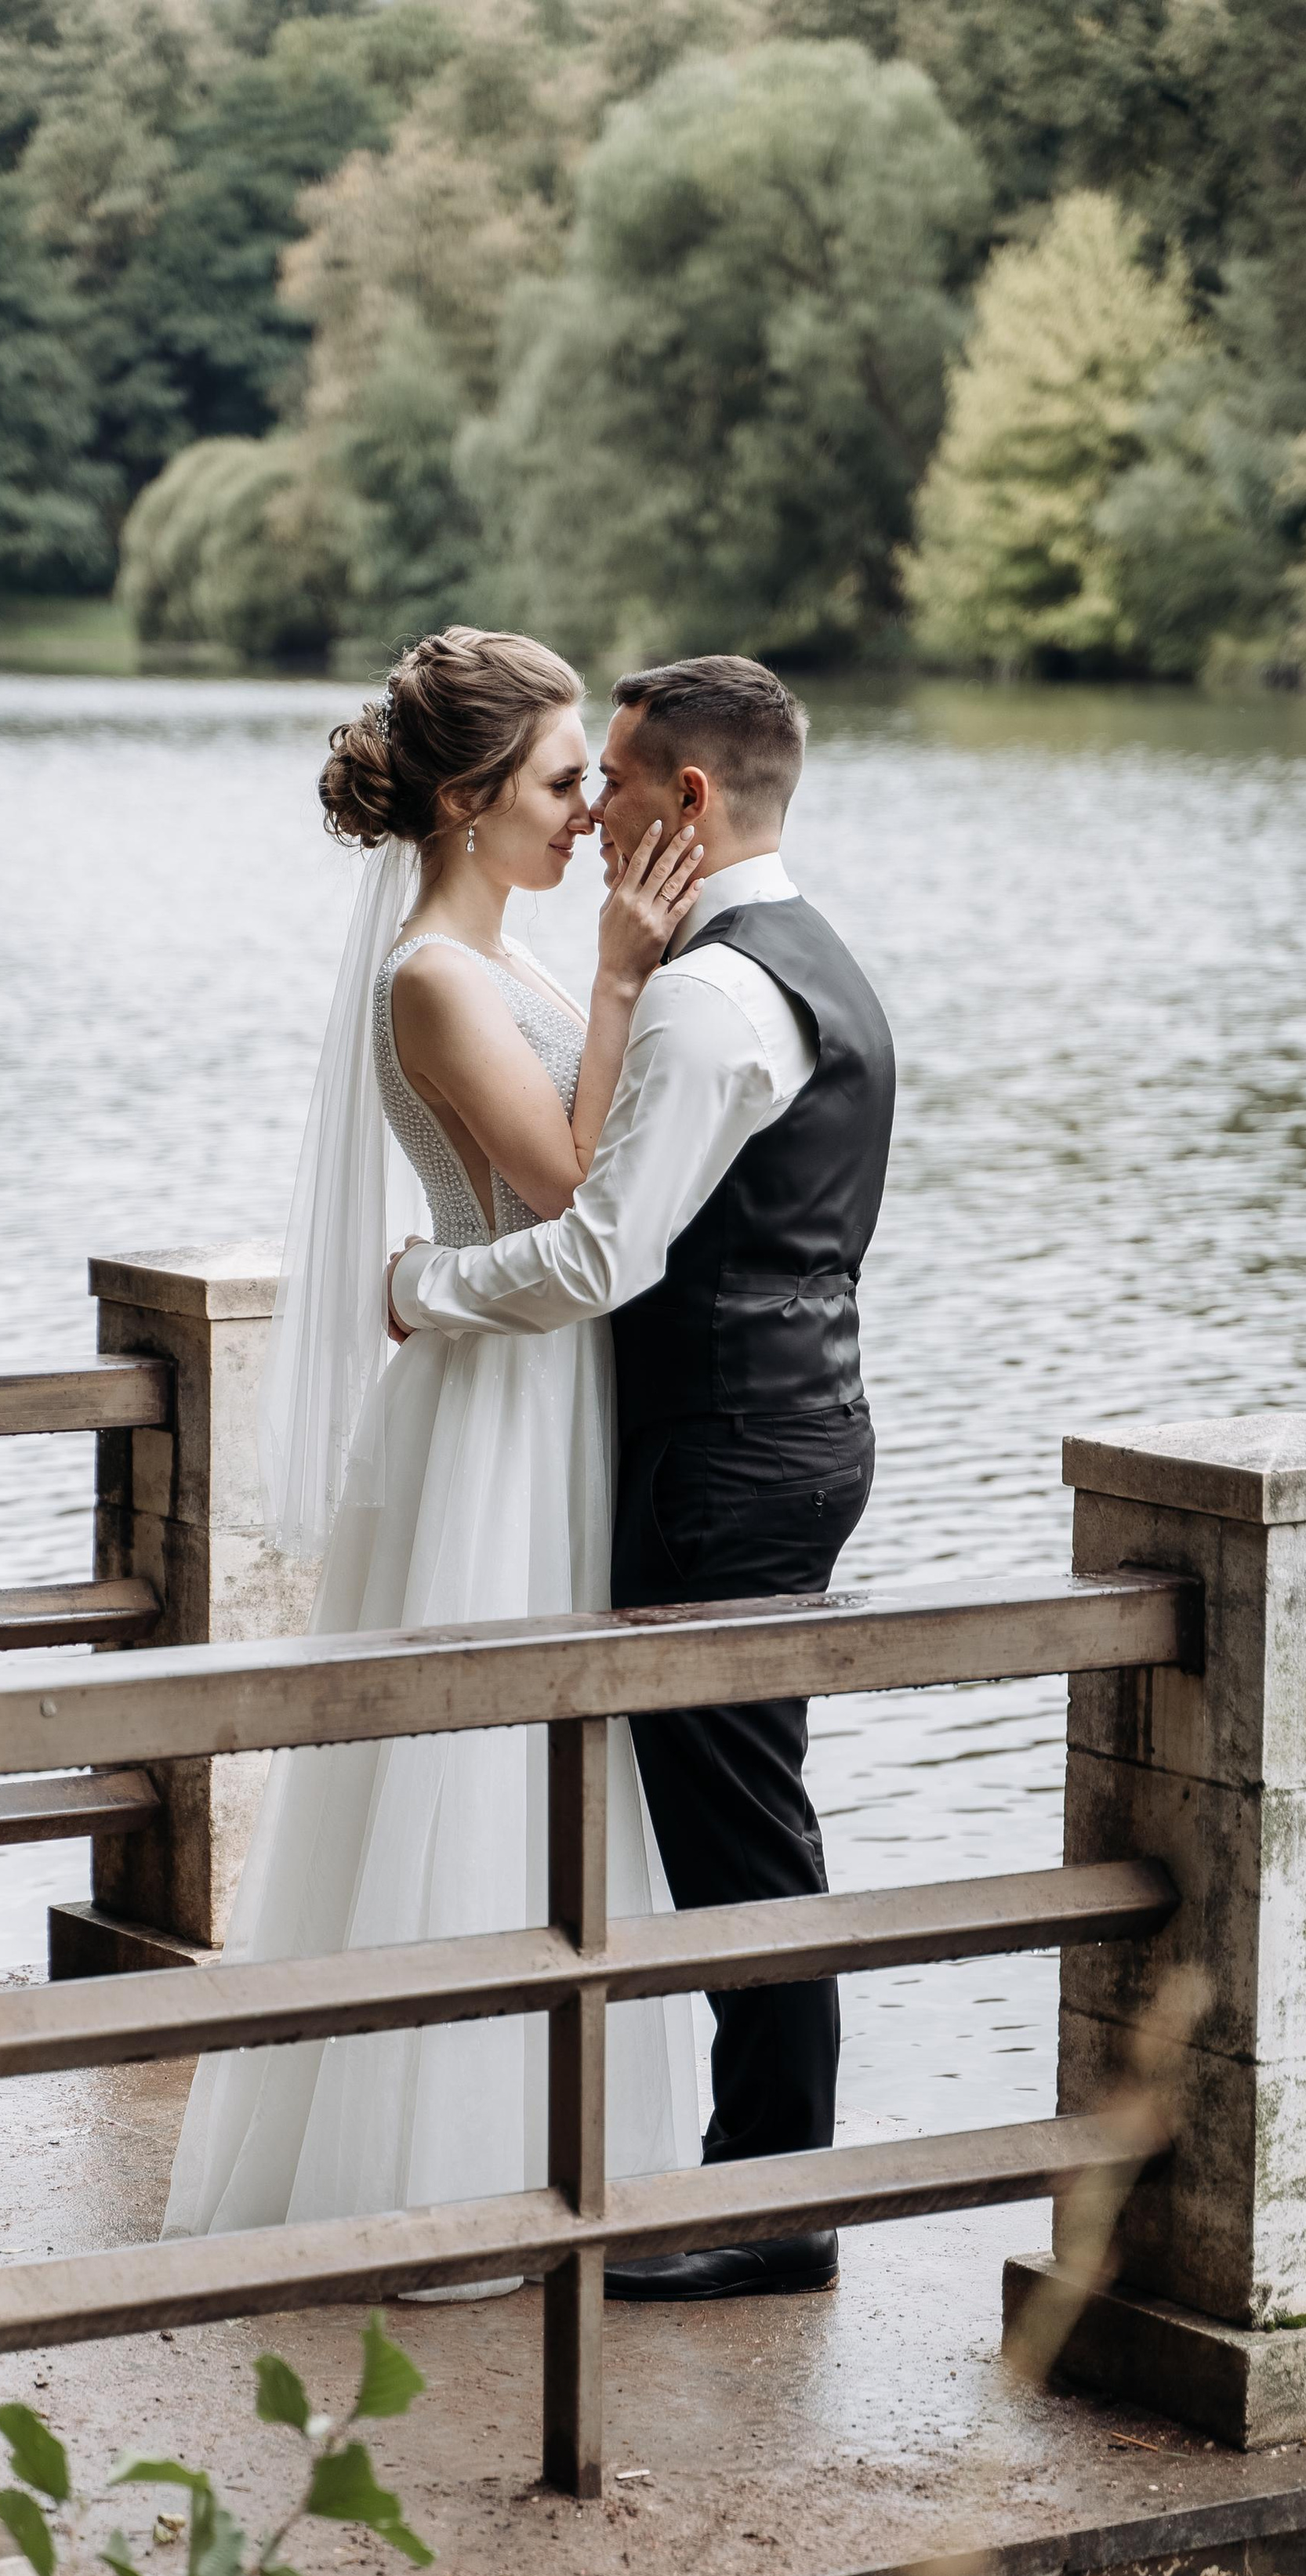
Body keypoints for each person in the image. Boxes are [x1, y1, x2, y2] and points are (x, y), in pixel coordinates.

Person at [162, 628, 707, 2275]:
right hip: (488, 1416)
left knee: (570, 1766)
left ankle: (577, 2147)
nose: (589, 815)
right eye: (560, 784)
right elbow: (558, 1184)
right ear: (468, 801)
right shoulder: (431, 975)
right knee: (470, 1776)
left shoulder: (516, 960)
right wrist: (624, 977)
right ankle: (438, 2175)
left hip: (552, 1380)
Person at [389, 655, 897, 2302]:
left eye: (607, 777)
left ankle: (774, 2210)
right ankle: (764, 2183)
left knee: (737, 1835)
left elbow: (602, 1250)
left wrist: (417, 1292)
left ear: (686, 797)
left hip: (720, 1453)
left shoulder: (699, 994)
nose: (591, 809)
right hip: (798, 1423)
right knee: (747, 1815)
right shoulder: (809, 957)